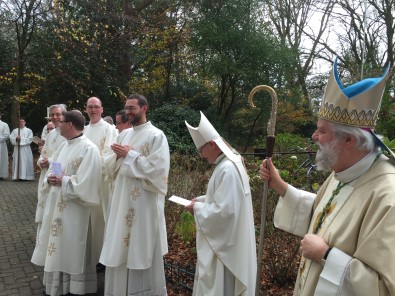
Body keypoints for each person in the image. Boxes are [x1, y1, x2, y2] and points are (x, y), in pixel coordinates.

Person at [260, 59, 395, 295]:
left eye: (322, 131)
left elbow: (384, 287)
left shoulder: (388, 195)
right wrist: (281, 187)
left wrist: (327, 256)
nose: (313, 136)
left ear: (349, 140)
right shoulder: (344, 170)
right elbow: (325, 217)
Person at [99, 94, 170, 296]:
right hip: (122, 200)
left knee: (141, 246)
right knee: (120, 246)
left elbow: (158, 172)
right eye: (126, 108)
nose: (128, 112)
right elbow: (109, 165)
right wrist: (119, 156)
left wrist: (130, 155)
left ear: (144, 108)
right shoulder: (124, 135)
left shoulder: (157, 136)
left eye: (132, 108)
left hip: (144, 205)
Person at [185, 111, 257, 296]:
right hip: (229, 243)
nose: (201, 156)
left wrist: (198, 208)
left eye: (201, 150)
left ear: (211, 144)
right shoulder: (229, 163)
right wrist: (201, 200)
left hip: (226, 250)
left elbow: (225, 212)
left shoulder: (227, 169)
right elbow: (226, 198)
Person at [31, 110, 102, 295]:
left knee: (72, 246)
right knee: (57, 245)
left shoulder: (90, 149)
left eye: (61, 122)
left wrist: (64, 181)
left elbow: (88, 183)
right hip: (57, 204)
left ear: (69, 124)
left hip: (75, 210)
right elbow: (55, 167)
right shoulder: (64, 146)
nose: (57, 125)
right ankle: (58, 286)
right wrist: (52, 177)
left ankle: (75, 287)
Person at [83, 96, 118, 269]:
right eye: (90, 107)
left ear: (102, 109)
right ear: (86, 109)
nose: (93, 110)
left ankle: (102, 258)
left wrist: (89, 166)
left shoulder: (109, 129)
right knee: (87, 219)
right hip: (85, 181)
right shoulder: (82, 130)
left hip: (101, 181)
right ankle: (88, 254)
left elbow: (109, 154)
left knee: (101, 219)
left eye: (96, 106)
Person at [34, 104, 67, 245]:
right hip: (45, 174)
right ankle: (43, 242)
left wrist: (50, 161)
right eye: (52, 114)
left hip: (57, 174)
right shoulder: (51, 133)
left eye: (58, 114)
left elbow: (66, 157)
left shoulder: (67, 132)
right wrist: (41, 162)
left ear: (64, 115)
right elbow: (44, 154)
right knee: (45, 207)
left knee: (55, 205)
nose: (55, 117)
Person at [0, 115, 10, 179]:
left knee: (1, 159)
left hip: (1, 144)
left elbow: (7, 135)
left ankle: (1, 174)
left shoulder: (4, 124)